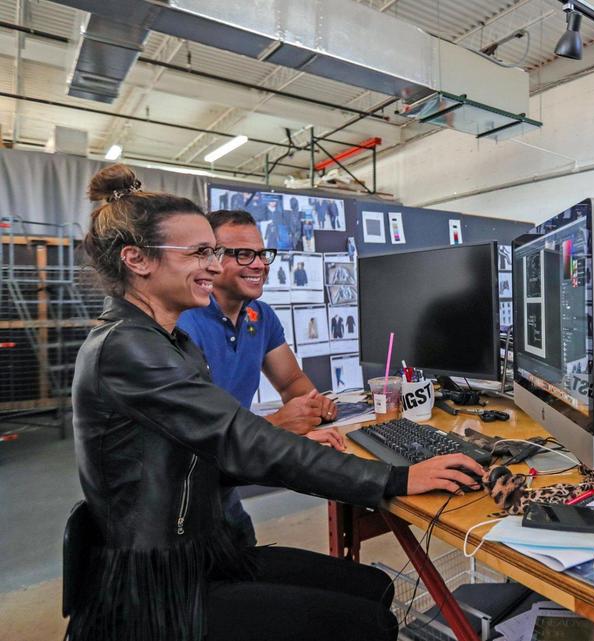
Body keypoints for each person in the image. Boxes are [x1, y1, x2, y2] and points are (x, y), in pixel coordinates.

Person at [68, 164, 485, 641]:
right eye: (202, 252)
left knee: (370, 586)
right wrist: (395, 476)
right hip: (161, 585)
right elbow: (239, 439)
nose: (213, 264)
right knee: (368, 622)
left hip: (203, 547)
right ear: (138, 260)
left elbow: (214, 457)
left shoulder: (170, 341)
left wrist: (320, 455)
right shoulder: (128, 348)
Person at [176, 209, 340, 546]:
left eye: (262, 254)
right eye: (244, 254)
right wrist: (278, 425)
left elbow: (291, 382)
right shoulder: (184, 322)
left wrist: (311, 405)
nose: (260, 265)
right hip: (186, 498)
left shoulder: (259, 315)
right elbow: (200, 435)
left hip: (226, 490)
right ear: (211, 259)